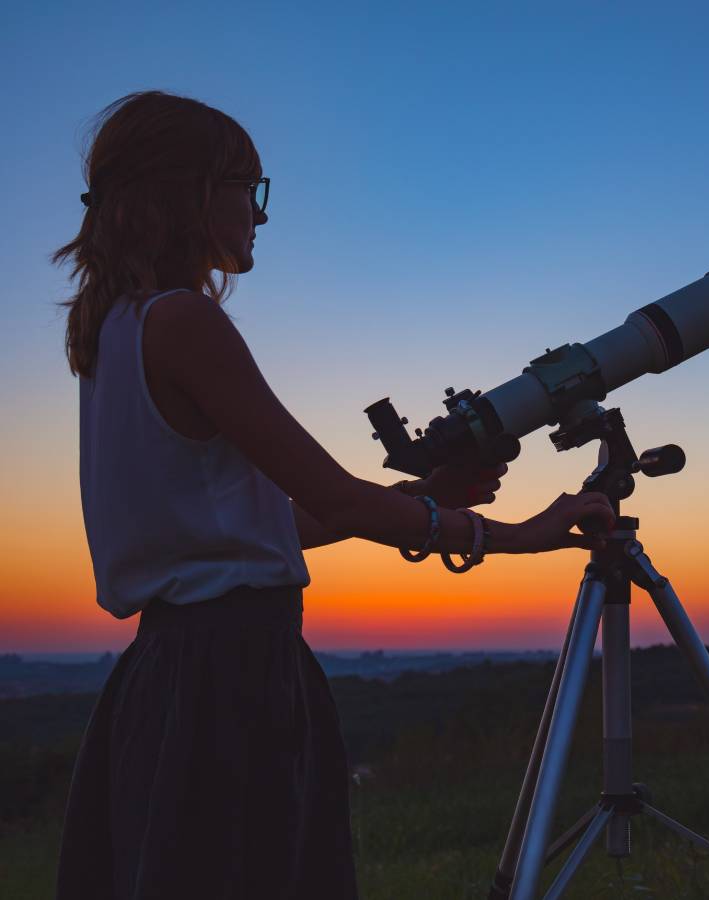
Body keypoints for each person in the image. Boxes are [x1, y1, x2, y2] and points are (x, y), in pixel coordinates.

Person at [53, 90, 615, 900]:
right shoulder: (185, 324)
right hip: (235, 673)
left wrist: (419, 491)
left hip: (172, 670)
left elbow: (262, 524)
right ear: (189, 192)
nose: (258, 213)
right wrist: (519, 534)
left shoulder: (113, 331)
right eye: (248, 187)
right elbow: (340, 501)